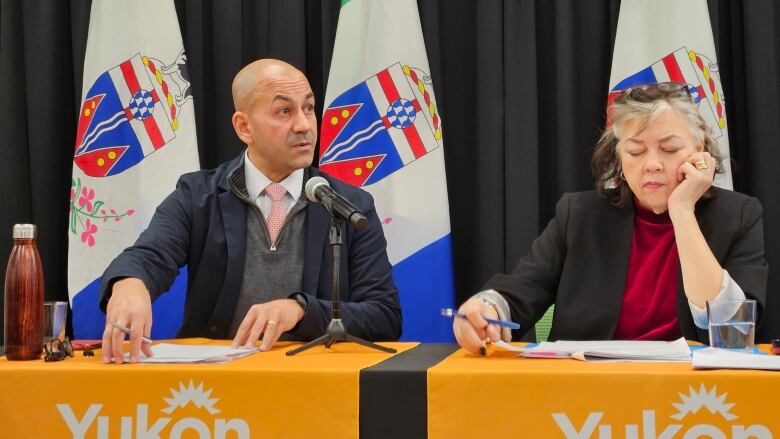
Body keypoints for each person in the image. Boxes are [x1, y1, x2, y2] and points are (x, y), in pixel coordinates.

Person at [100, 59, 402, 363]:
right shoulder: (198, 196)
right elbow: (148, 257)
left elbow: (384, 316)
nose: (304, 125)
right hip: (214, 389)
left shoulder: (349, 206)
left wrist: (301, 310)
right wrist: (129, 285)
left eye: (308, 108)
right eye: (285, 111)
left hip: (313, 383)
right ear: (244, 127)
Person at [454, 82, 768, 355]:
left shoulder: (738, 215)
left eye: (670, 149)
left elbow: (732, 329)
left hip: (689, 396)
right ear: (619, 156)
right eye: (635, 152)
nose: (653, 164)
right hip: (587, 394)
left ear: (699, 151)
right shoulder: (579, 215)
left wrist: (683, 210)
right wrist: (486, 307)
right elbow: (520, 291)